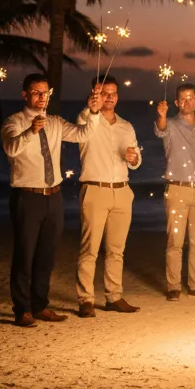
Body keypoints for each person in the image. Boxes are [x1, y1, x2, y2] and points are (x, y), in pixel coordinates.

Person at [1, 74, 104, 327]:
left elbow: (83, 135)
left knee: (47, 255)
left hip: (53, 196)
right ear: (25, 95)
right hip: (27, 196)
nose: (41, 97)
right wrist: (30, 131)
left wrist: (92, 112)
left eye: (45, 93)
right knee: (25, 254)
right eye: (36, 93)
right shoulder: (14, 122)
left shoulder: (55, 122)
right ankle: (22, 309)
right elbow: (11, 149)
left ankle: (40, 305)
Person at [75, 77, 141, 317]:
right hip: (95, 189)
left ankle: (114, 296)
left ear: (118, 96)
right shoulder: (86, 119)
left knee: (116, 250)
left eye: (113, 93)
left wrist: (135, 159)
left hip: (122, 190)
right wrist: (91, 107)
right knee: (89, 249)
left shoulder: (126, 126)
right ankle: (85, 300)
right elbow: (83, 128)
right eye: (104, 93)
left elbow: (134, 156)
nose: (109, 97)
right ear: (96, 95)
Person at [154, 83, 195, 301]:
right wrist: (161, 115)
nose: (187, 101)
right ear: (176, 103)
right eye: (182, 98)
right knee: (175, 241)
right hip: (177, 188)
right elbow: (160, 130)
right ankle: (173, 286)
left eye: (191, 98)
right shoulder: (170, 125)